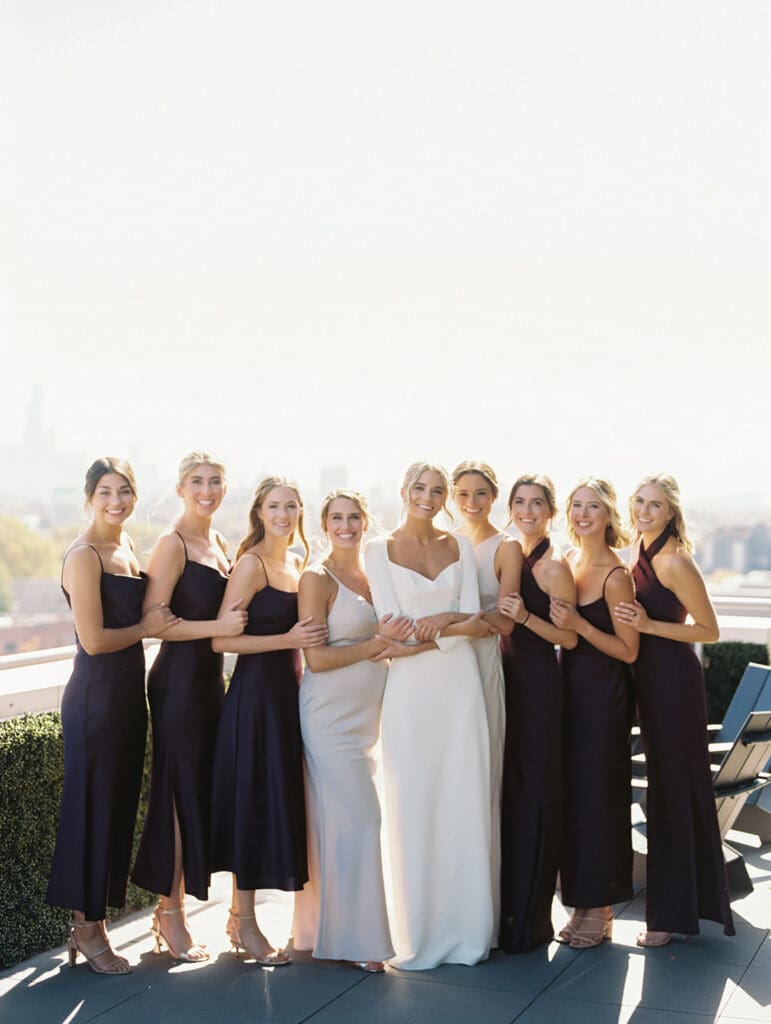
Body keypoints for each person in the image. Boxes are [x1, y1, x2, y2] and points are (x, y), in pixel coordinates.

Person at [47, 458, 177, 974]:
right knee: (91, 807)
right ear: (89, 496)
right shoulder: (83, 556)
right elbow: (96, 641)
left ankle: (96, 920)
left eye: (124, 491)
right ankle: (86, 927)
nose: (116, 501)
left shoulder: (124, 548)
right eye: (105, 492)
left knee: (119, 806)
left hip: (127, 699)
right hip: (94, 700)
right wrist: (147, 627)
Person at [364, 461, 495, 970]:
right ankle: (416, 933)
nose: (428, 496)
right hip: (410, 693)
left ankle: (467, 932)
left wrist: (440, 622)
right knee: (413, 802)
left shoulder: (459, 546)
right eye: (419, 488)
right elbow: (390, 629)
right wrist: (452, 623)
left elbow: (477, 619)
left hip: (460, 688)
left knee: (464, 798)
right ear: (403, 491)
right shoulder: (378, 550)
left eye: (437, 490)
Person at [131, 453, 247, 962]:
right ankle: (169, 915)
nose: (207, 490)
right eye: (197, 482)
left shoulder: (219, 542)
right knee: (176, 795)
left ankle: (180, 909)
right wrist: (217, 630)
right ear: (180, 488)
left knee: (197, 792)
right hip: (178, 681)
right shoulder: (171, 544)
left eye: (215, 482)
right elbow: (154, 622)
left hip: (208, 685)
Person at [210, 476, 327, 966]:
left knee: (274, 801)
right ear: (258, 511)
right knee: (252, 804)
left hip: (288, 697)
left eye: (292, 506)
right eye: (274, 506)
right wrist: (288, 640)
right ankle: (244, 921)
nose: (283, 514)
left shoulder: (296, 562)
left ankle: (247, 919)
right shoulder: (252, 565)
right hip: (255, 698)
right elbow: (222, 640)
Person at [614, 473, 735, 945]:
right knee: (665, 793)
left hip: (674, 683)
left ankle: (668, 918)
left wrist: (648, 625)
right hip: (645, 679)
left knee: (670, 793)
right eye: (639, 501)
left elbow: (709, 631)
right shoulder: (634, 553)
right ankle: (681, 907)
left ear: (671, 512)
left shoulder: (674, 560)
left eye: (656, 504)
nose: (644, 510)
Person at [292, 490, 396, 972]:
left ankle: (323, 930)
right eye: (337, 518)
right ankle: (360, 941)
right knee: (361, 819)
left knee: (338, 823)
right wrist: (375, 644)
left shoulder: (377, 573)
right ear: (324, 524)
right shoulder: (317, 577)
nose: (347, 525)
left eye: (354, 517)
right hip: (329, 718)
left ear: (366, 521)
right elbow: (317, 658)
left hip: (367, 719)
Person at [550, 477, 638, 949]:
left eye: (594, 507)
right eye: (577, 506)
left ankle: (601, 908)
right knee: (577, 802)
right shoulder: (568, 562)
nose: (584, 515)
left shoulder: (615, 575)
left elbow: (628, 651)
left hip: (604, 700)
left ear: (608, 516)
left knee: (600, 800)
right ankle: (582, 904)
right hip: (570, 696)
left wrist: (579, 624)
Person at [496, 474, 578, 952]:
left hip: (537, 684)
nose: (528, 510)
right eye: (520, 502)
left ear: (550, 511)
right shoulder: (509, 554)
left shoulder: (552, 565)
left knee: (534, 795)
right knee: (510, 793)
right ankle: (507, 913)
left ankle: (529, 921)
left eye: (537, 503)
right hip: (504, 678)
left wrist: (526, 618)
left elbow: (568, 639)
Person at [451, 460, 522, 942]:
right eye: (462, 494)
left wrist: (448, 621)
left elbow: (508, 620)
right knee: (451, 781)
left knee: (482, 778)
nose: (471, 503)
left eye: (480, 493)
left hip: (481, 667)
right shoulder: (448, 541)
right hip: (444, 670)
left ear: (494, 496)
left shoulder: (507, 546)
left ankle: (483, 913)